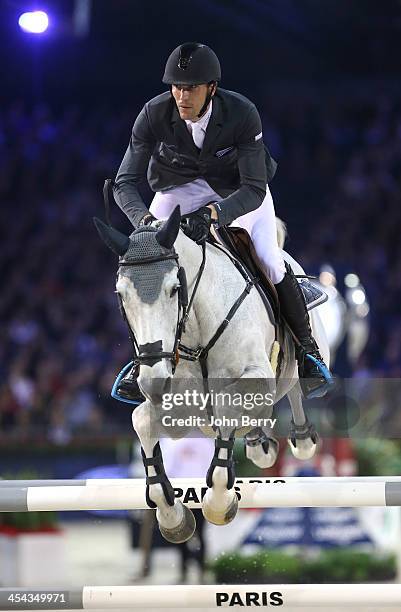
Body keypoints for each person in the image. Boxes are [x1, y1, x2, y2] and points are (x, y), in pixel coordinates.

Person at [112, 42, 332, 400]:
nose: (182, 96)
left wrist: (214, 215)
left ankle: (308, 353)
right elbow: (124, 183)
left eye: (192, 88)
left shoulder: (242, 112)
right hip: (178, 187)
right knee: (146, 263)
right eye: (177, 87)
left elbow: (254, 188)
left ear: (211, 88)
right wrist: (147, 222)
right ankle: (142, 362)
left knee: (269, 258)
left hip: (237, 191)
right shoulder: (153, 113)